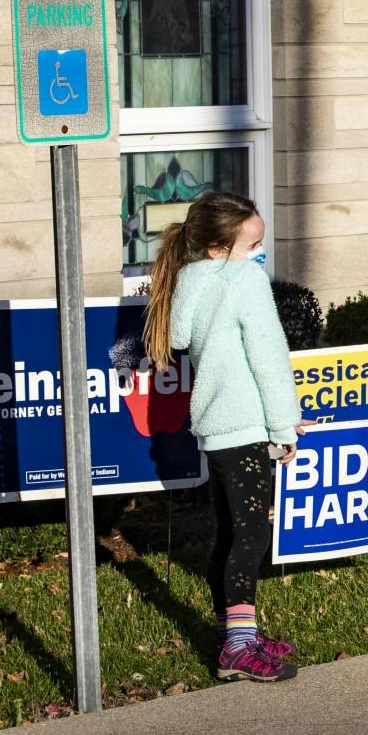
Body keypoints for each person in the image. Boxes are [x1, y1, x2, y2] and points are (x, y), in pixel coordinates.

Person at [143, 190, 306, 683]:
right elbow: (269, 358)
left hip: (216, 428)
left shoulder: (191, 281)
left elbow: (178, 339)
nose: (261, 253)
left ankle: (235, 632)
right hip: (246, 424)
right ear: (218, 248)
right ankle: (238, 647)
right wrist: (284, 425)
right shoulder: (244, 281)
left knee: (231, 532)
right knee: (252, 534)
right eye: (252, 244)